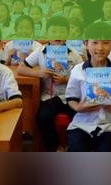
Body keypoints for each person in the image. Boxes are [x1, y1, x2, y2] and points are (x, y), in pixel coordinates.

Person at [18, 16, 82, 151]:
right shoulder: (41, 51)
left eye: (62, 31)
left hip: (70, 96)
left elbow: (83, 76)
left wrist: (67, 79)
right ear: (47, 34)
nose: (58, 35)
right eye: (54, 31)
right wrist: (39, 73)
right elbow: (21, 68)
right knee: (42, 117)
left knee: (80, 117)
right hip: (49, 96)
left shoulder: (74, 54)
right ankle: (55, 147)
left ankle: (74, 146)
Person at [65, 22, 111, 152]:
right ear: (86, 43)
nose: (100, 48)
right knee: (77, 150)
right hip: (82, 124)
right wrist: (78, 108)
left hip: (110, 126)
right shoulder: (77, 70)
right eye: (94, 42)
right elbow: (71, 98)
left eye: (105, 43)